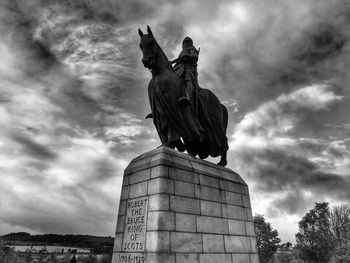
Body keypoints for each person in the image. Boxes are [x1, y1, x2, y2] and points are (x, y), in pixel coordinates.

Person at [173, 37, 200, 112]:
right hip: (179, 67)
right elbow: (178, 60)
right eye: (184, 43)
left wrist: (186, 56)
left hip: (189, 67)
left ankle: (188, 97)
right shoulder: (183, 51)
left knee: (187, 78)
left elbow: (195, 57)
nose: (185, 44)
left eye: (186, 42)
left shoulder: (191, 48)